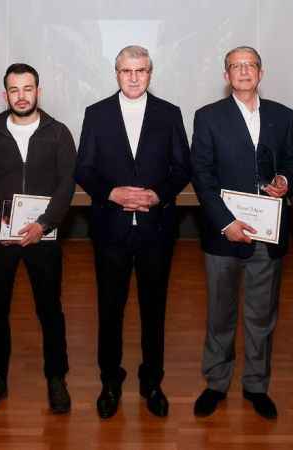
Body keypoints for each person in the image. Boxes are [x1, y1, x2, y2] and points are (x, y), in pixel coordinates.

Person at [75, 45, 191, 419]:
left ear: (151, 73)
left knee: (154, 310)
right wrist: (111, 193)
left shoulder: (169, 114)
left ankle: (151, 382)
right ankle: (110, 381)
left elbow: (182, 168)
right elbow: (84, 169)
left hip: (157, 230)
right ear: (116, 73)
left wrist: (159, 194)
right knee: (110, 310)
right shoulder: (96, 114)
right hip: (110, 229)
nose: (134, 77)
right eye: (127, 71)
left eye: (141, 70)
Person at [190, 46, 293, 419]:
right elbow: (202, 177)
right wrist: (227, 223)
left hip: (268, 233)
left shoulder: (281, 116)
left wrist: (286, 179)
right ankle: (216, 382)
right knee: (220, 313)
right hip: (224, 233)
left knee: (261, 313)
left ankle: (256, 384)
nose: (243, 71)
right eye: (235, 66)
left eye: (249, 65)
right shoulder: (207, 118)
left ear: (260, 72)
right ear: (226, 76)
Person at [0, 63, 76, 415]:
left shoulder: (59, 133)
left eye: (28, 88)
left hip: (42, 237)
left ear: (38, 91)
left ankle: (56, 378)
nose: (22, 96)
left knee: (50, 309)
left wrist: (44, 225)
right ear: (5, 95)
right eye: (14, 90)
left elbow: (66, 185)